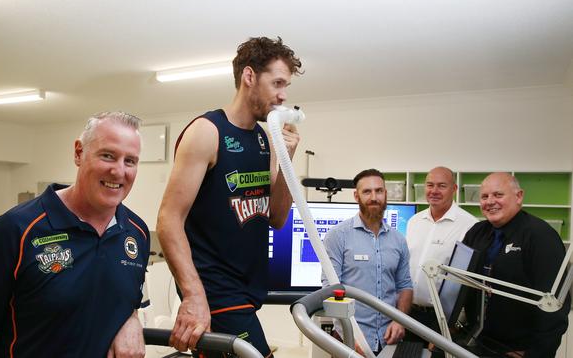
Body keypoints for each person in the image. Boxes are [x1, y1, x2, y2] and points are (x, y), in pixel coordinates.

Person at [0, 112, 150, 358]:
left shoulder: (137, 233)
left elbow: (126, 297)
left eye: (130, 161)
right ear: (78, 153)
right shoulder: (16, 229)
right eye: (108, 155)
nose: (119, 171)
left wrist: (132, 318)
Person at [156, 36, 302, 357]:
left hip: (247, 291)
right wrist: (194, 297)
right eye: (277, 82)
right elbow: (168, 219)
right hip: (216, 292)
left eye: (286, 85)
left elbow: (276, 218)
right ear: (249, 77)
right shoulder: (207, 132)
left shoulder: (264, 139)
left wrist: (287, 158)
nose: (283, 95)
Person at [462, 172, 569, 357]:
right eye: (484, 196)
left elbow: (556, 306)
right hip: (477, 342)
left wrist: (536, 354)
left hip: (517, 349)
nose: (490, 201)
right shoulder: (477, 232)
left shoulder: (541, 237)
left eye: (498, 195)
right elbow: (460, 284)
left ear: (519, 196)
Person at [322, 169, 413, 355]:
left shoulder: (398, 240)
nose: (374, 197)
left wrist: (399, 320)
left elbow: (405, 286)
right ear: (356, 196)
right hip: (350, 338)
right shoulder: (338, 236)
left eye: (379, 191)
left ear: (385, 194)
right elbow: (330, 289)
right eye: (367, 192)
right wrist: (350, 335)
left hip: (390, 339)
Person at [405, 167, 477, 341]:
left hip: (441, 319)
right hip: (408, 312)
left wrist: (453, 325)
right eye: (430, 185)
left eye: (441, 186)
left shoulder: (470, 226)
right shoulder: (414, 221)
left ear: (454, 189)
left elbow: (469, 281)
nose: (434, 191)